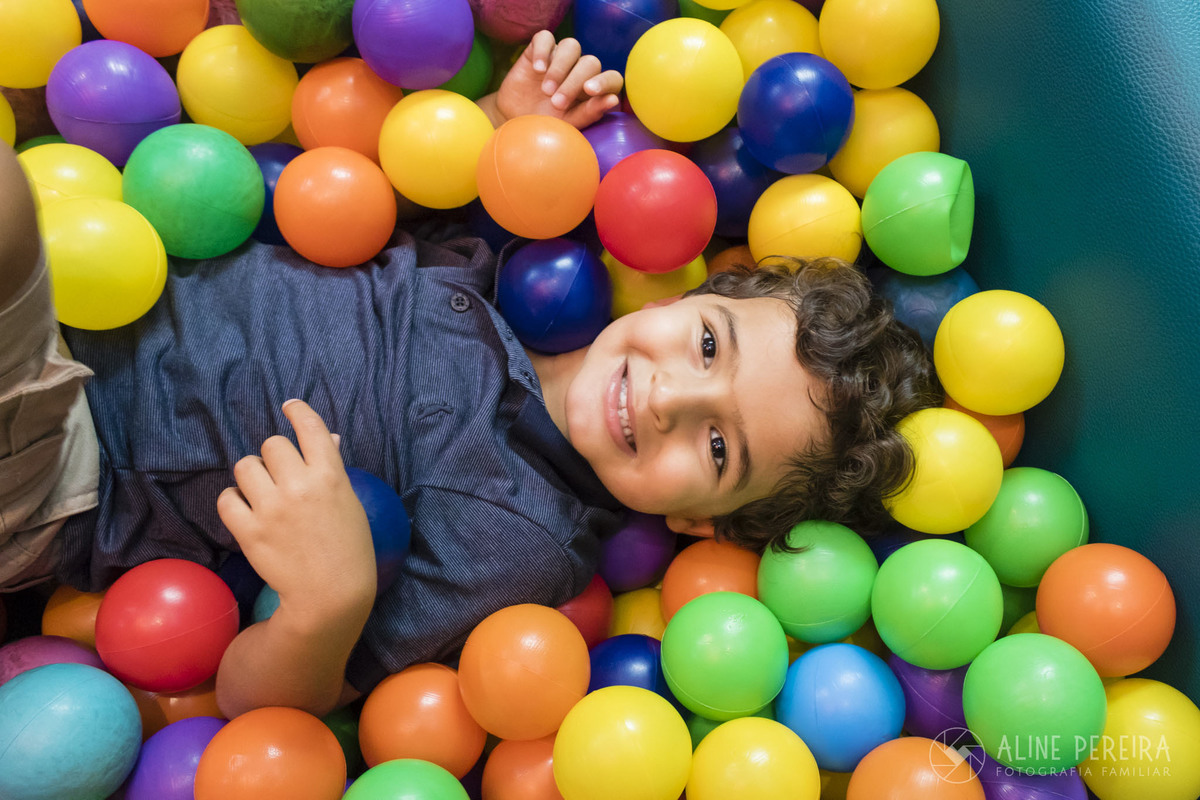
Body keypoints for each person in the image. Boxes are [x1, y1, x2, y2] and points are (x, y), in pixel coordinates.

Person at [0, 32, 940, 720]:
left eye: (720, 444)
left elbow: (273, 709)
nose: (668, 399)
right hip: (100, 270)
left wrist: (328, 605)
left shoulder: (518, 538)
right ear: (671, 300)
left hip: (78, 457)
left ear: (700, 520)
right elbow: (378, 205)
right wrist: (499, 129)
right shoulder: (516, 258)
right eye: (706, 347)